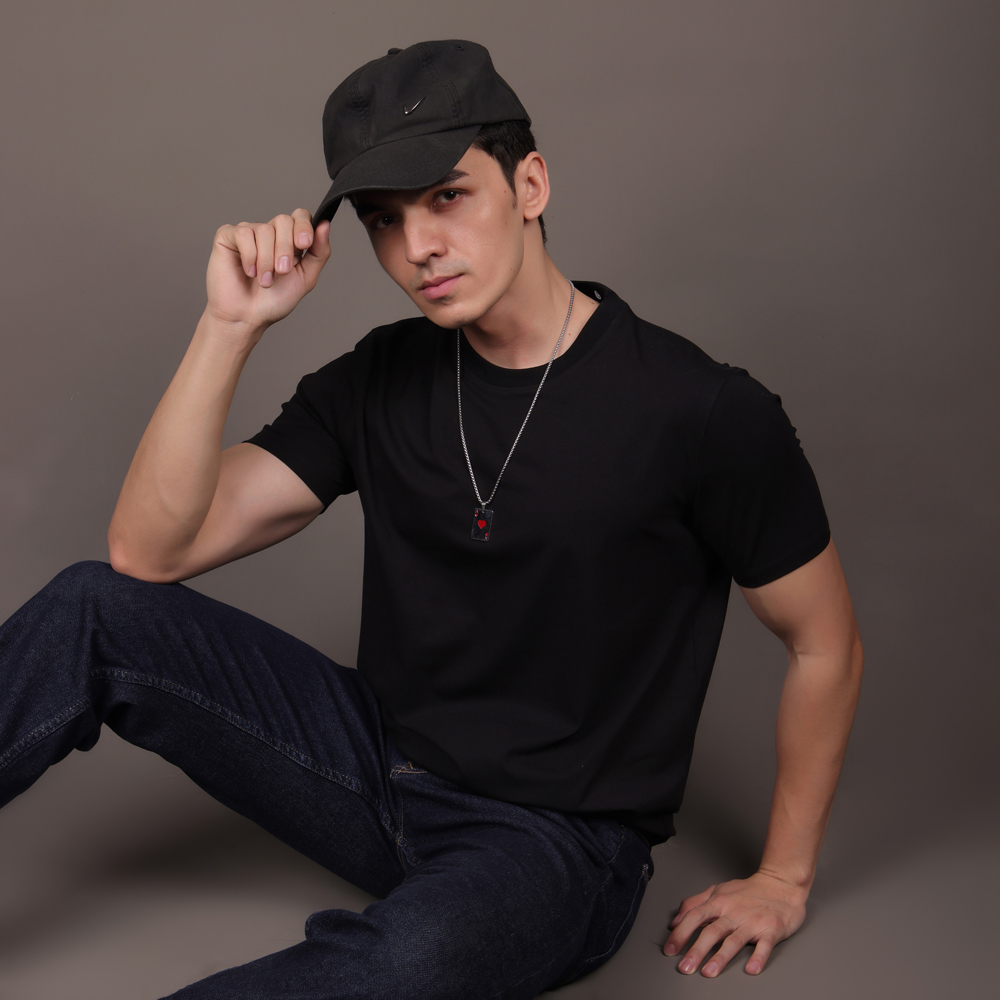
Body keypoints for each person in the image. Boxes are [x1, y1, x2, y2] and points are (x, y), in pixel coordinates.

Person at [0, 39, 863, 999]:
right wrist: (228, 328)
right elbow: (146, 554)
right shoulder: (381, 374)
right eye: (385, 219)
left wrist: (784, 879)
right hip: (370, 767)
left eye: (448, 197)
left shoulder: (700, 410)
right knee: (92, 607)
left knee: (409, 960)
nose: (417, 248)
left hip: (553, 841)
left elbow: (823, 642)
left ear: (529, 184)